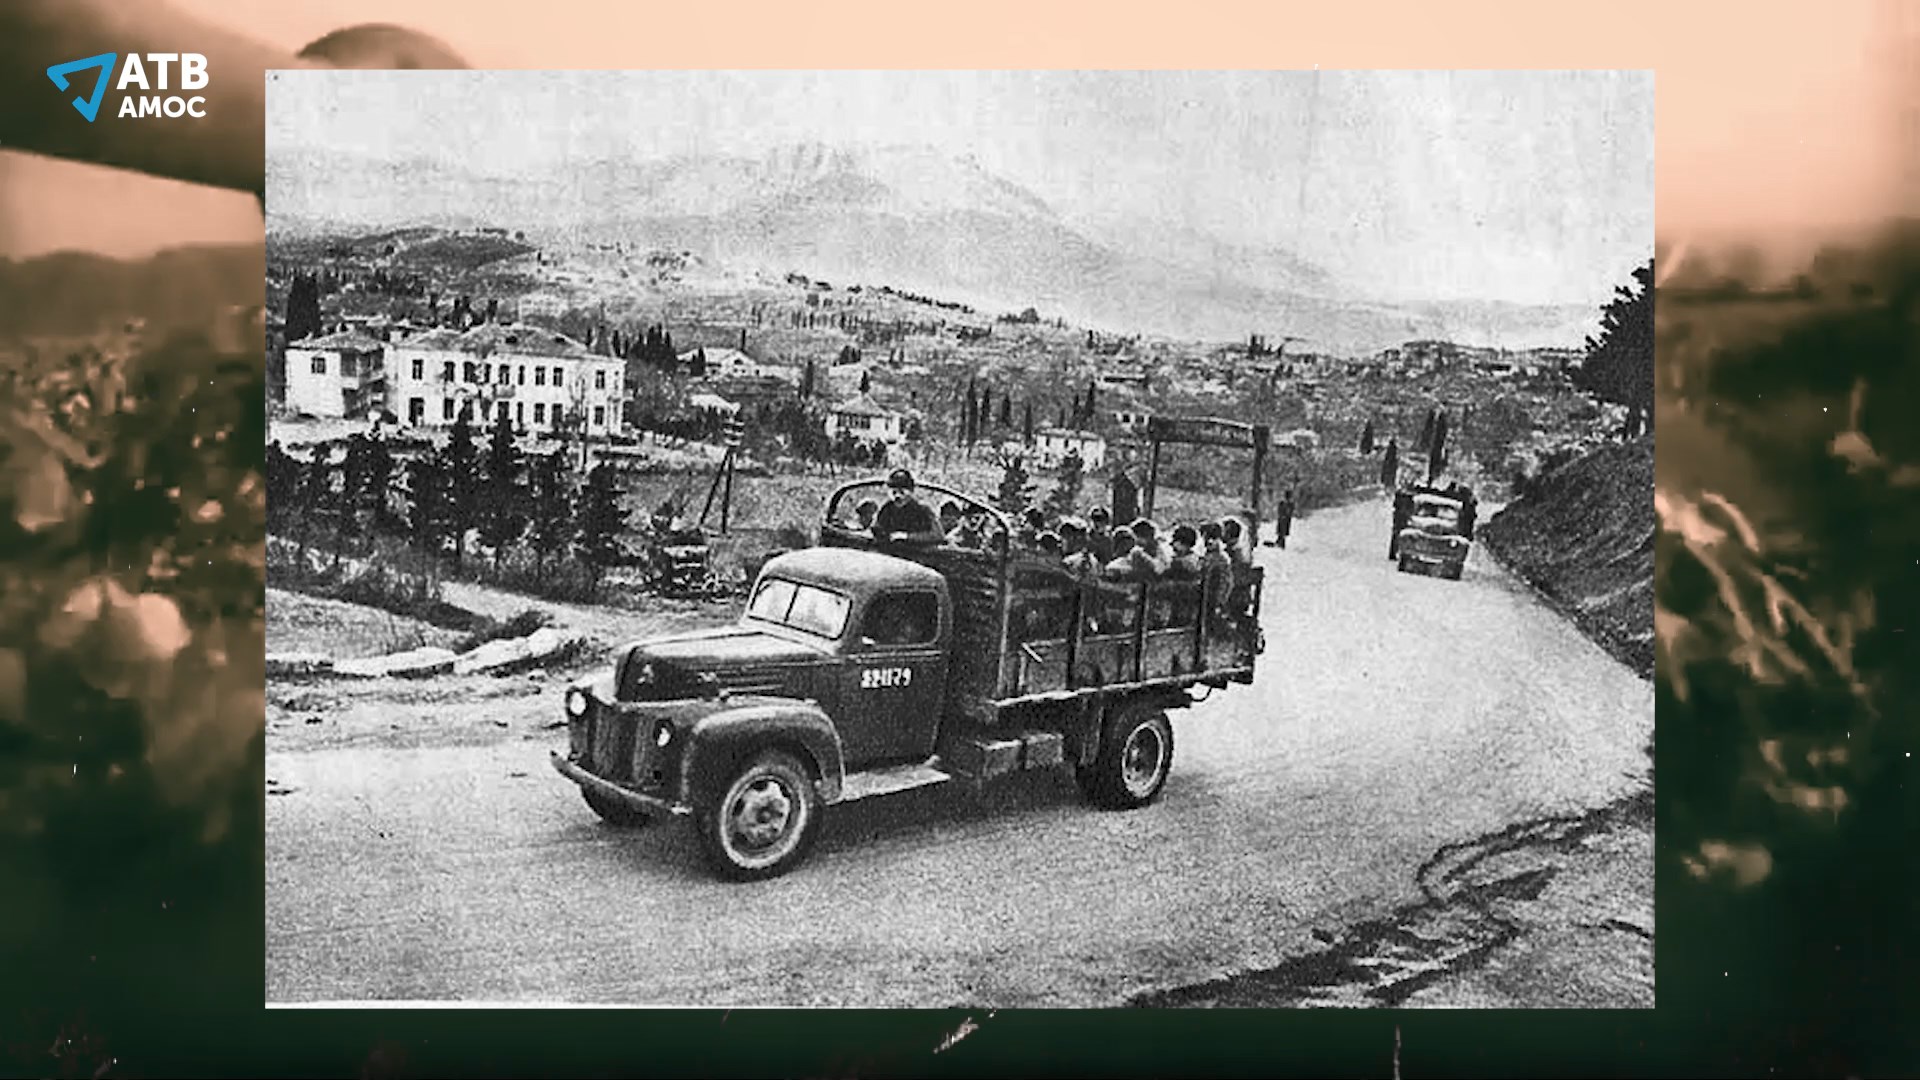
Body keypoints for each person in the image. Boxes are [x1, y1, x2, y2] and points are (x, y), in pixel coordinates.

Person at [870, 468, 942, 543]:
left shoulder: (923, 510)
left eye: (902, 492)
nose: (897, 496)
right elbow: (875, 528)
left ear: (911, 492)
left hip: (917, 549)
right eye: (894, 492)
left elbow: (938, 535)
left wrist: (907, 536)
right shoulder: (887, 508)